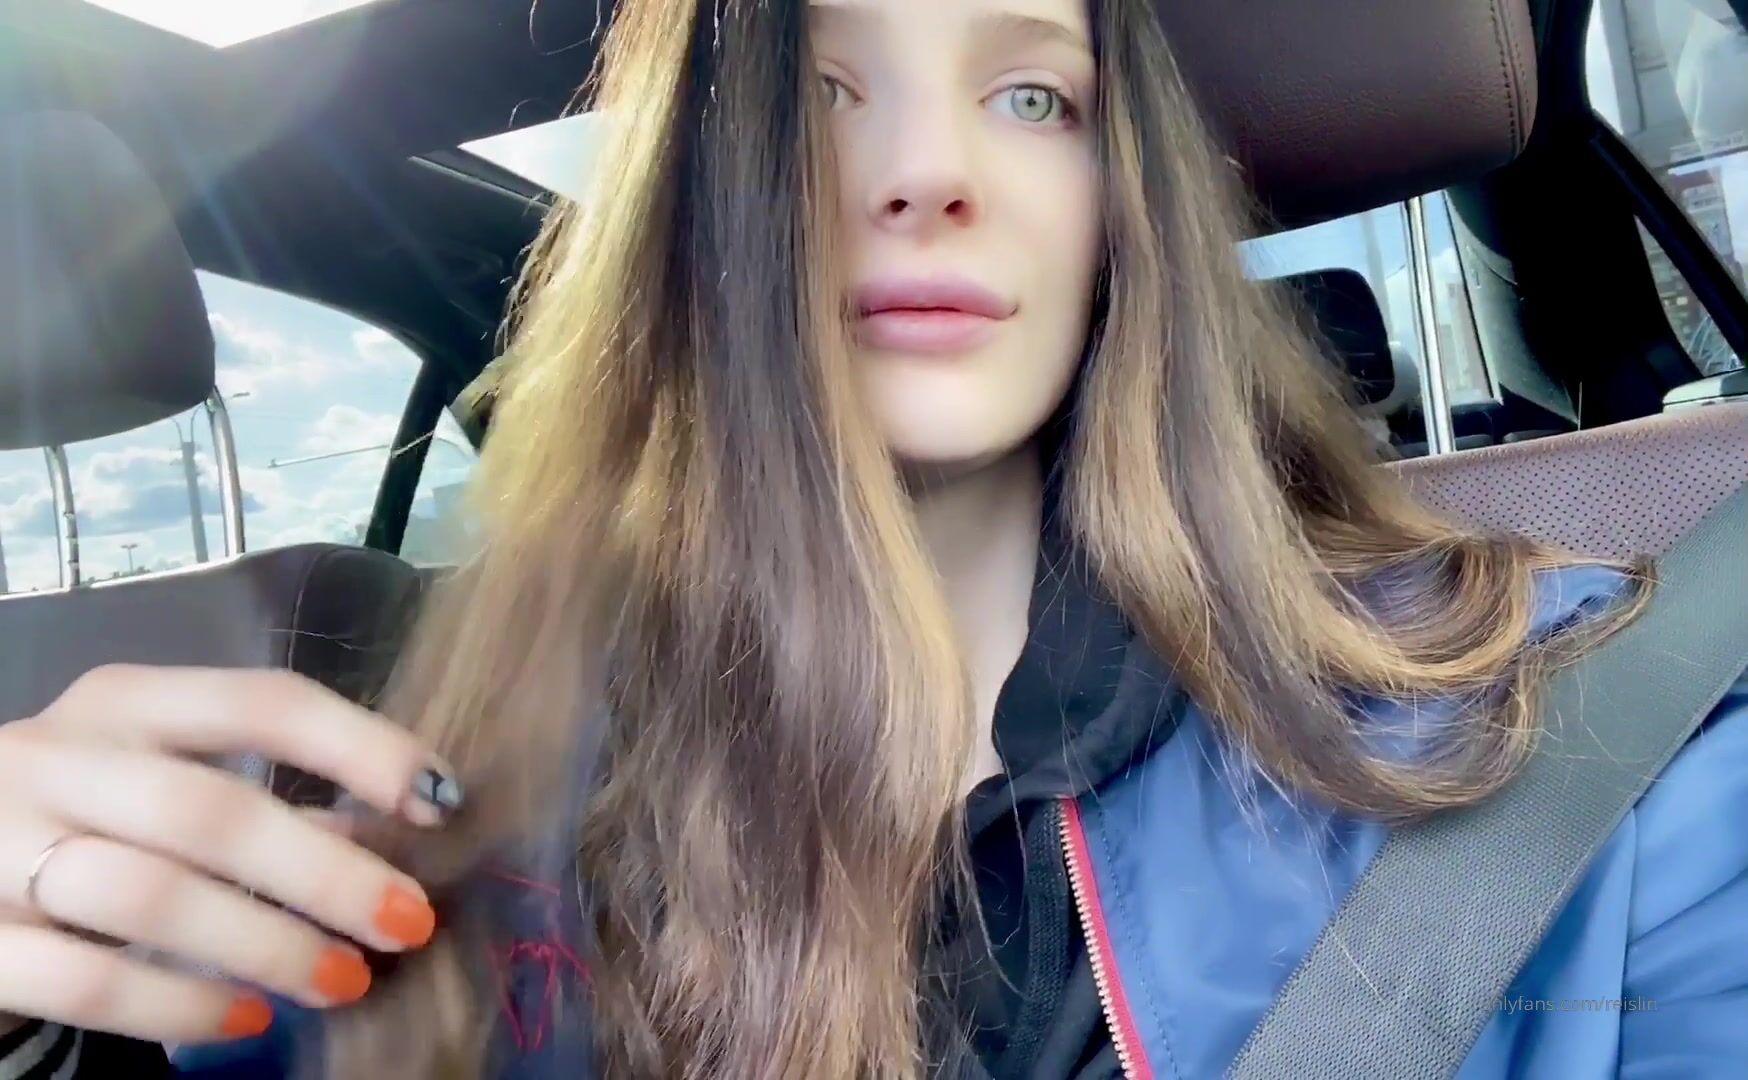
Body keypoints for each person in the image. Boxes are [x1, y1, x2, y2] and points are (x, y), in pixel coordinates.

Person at [3, 0, 1746, 1076]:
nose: (923, 173)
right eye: (819, 97)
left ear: (1119, 207)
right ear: (699, 219)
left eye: (1032, 95)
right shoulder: (396, 814)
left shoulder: (1601, 767)